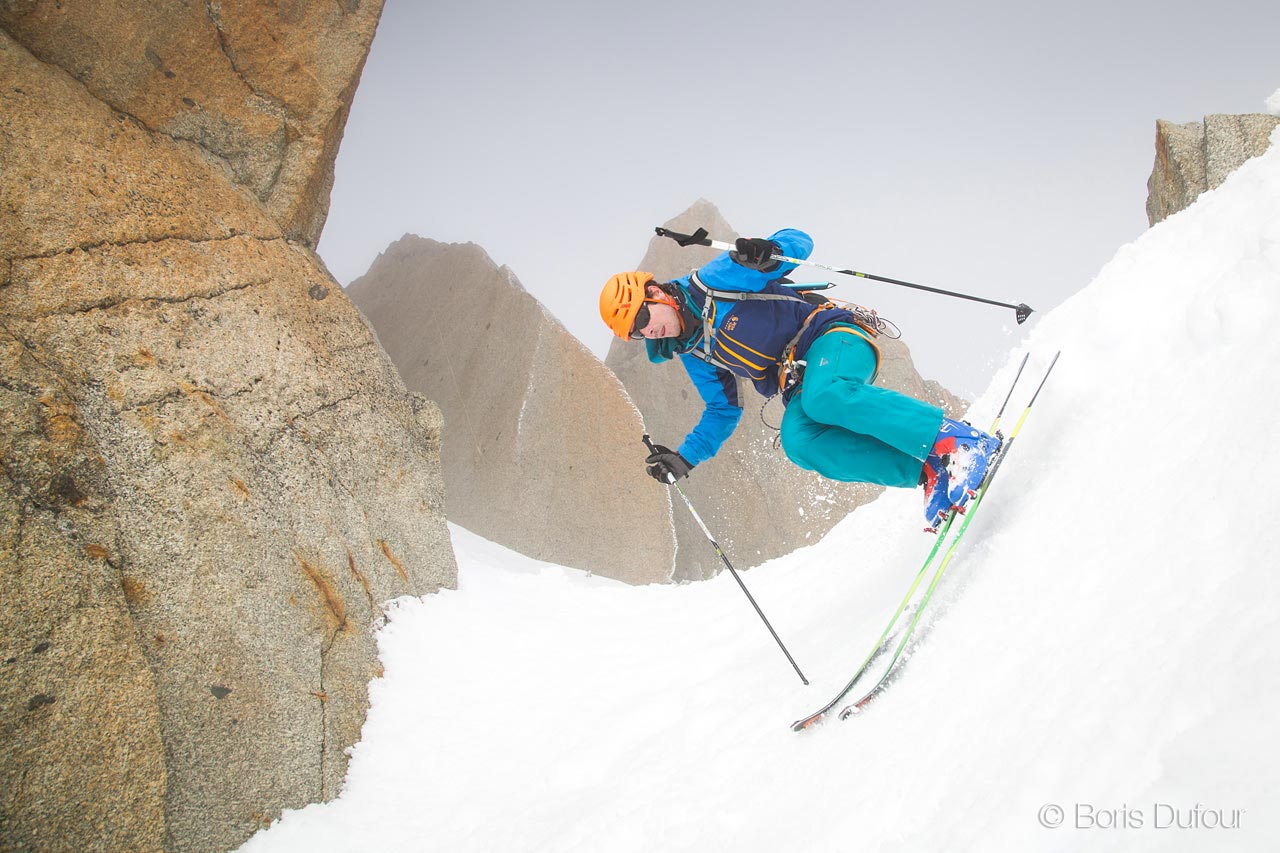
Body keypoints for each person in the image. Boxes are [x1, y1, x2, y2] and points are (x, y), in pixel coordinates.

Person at [599, 228, 1001, 530]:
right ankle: (931, 470)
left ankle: (958, 441)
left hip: (832, 336)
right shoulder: (695, 351)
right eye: (634, 333)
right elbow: (723, 410)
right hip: (800, 380)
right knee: (799, 441)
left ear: (655, 293)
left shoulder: (714, 281)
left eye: (641, 317)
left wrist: (768, 254)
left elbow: (798, 242)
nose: (645, 332)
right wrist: (685, 458)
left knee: (824, 398)